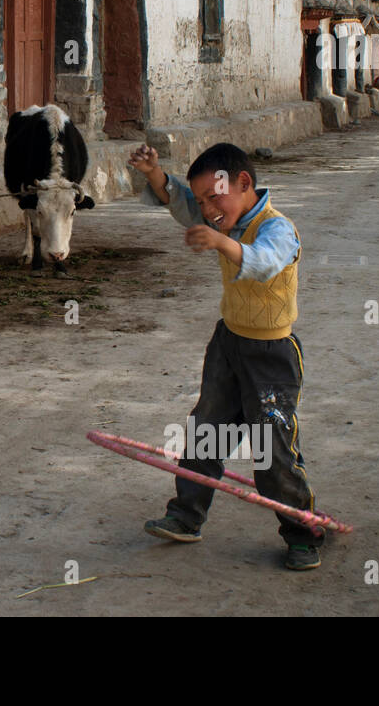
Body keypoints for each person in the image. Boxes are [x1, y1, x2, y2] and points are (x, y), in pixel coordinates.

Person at [127, 142, 323, 572]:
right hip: (227, 345)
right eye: (203, 202)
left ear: (244, 183)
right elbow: (180, 201)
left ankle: (303, 532)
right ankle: (186, 515)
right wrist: (154, 173)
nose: (208, 209)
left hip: (272, 357)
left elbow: (265, 262)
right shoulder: (224, 218)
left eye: (214, 196)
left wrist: (221, 240)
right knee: (205, 432)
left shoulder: (277, 228)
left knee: (271, 453)